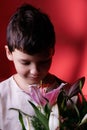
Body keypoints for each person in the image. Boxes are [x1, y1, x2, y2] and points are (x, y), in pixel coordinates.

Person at [0, 3, 66, 130]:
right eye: (25, 62)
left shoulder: (68, 95)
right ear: (9, 53)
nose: (35, 71)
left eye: (43, 61)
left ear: (52, 52)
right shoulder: (2, 95)